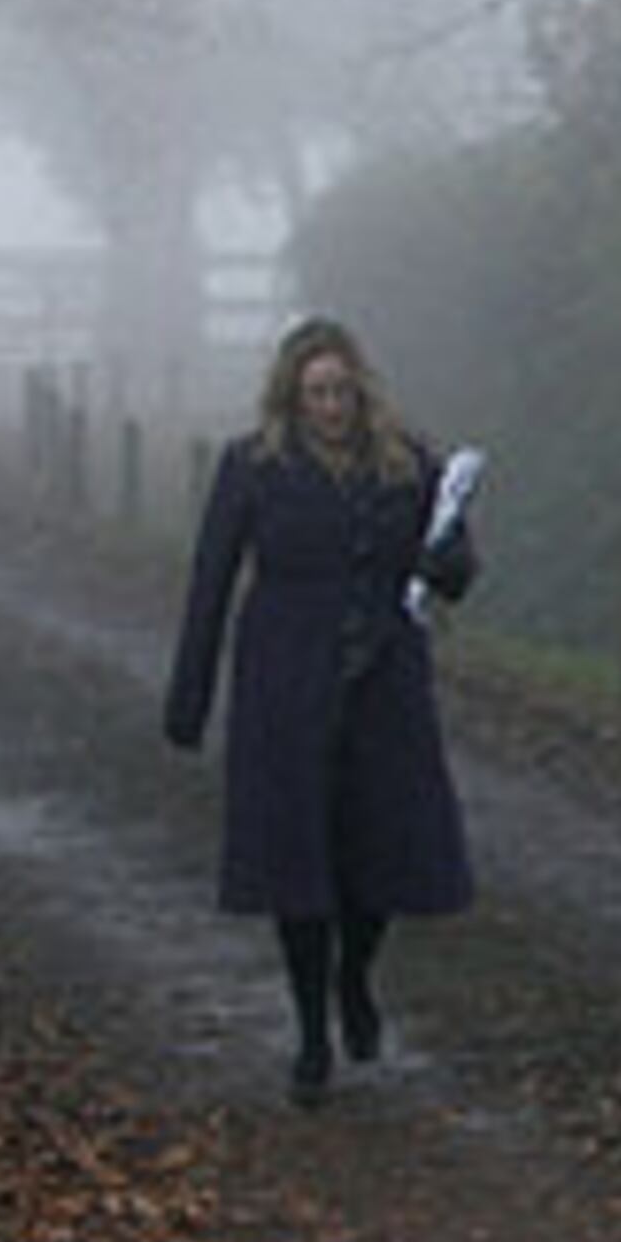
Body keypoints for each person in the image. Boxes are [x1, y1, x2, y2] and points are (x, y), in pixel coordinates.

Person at [163, 318, 479, 1102]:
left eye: (340, 390)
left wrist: (445, 563)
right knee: (299, 859)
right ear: (291, 396)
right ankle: (310, 1032)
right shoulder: (253, 466)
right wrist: (190, 695)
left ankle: (355, 978)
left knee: (383, 845)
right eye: (315, 393)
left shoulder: (408, 461)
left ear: (359, 387)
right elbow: (210, 579)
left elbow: (457, 563)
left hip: (384, 676)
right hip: (285, 676)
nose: (330, 405)